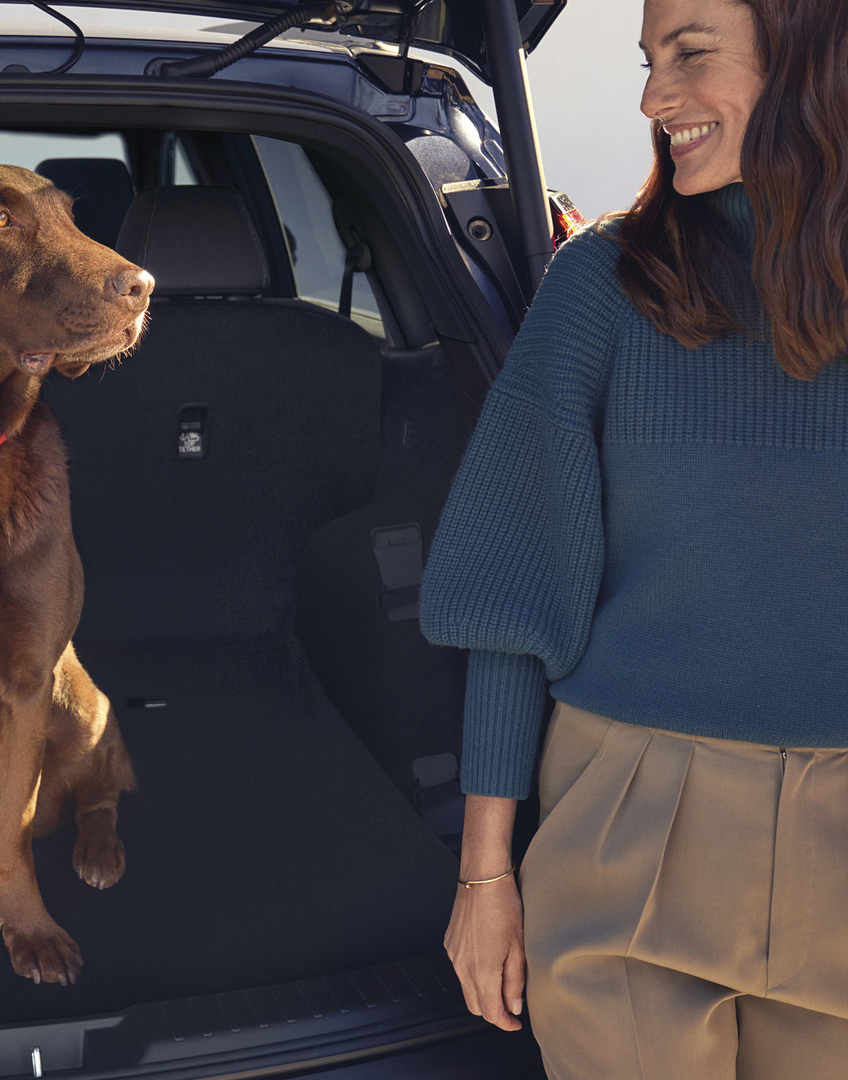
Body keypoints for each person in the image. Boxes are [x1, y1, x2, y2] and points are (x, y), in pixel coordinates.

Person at [419, 0, 848, 1076]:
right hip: (629, 827)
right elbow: (516, 607)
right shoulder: (601, 288)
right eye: (649, 62)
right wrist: (485, 877)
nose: (655, 100)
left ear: (810, 56)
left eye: (690, 55)